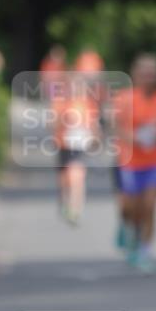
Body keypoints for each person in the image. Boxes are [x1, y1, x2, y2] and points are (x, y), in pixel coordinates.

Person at [113, 54, 156, 273]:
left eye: (152, 73)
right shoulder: (124, 98)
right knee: (130, 208)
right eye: (144, 73)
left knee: (149, 206)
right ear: (135, 74)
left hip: (155, 162)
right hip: (129, 162)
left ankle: (144, 250)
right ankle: (126, 228)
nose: (148, 77)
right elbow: (115, 127)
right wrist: (132, 138)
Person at [51, 72, 101, 225]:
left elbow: (94, 126)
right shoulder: (59, 103)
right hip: (63, 145)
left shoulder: (88, 104)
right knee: (64, 179)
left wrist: (95, 139)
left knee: (77, 176)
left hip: (79, 146)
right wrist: (63, 120)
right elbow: (51, 124)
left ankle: (75, 208)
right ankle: (65, 201)